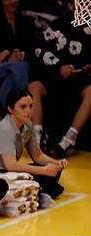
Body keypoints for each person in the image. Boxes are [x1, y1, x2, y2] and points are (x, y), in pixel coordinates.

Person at [0, 87, 67, 206]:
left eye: (31, 106)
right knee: (41, 174)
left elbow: (37, 155)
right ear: (10, 109)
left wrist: (56, 163)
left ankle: (40, 193)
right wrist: (44, 170)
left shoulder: (28, 125)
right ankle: (41, 193)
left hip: (6, 171)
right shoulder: (4, 128)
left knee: (53, 170)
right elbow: (11, 165)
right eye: (23, 107)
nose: (28, 111)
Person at [28, 0, 91, 158]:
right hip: (56, 77)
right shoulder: (55, 26)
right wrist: (59, 68)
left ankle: (69, 139)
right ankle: (37, 137)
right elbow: (40, 52)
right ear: (70, 6)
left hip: (81, 79)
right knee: (34, 86)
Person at [0, 0, 37, 106]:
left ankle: (12, 111)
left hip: (21, 66)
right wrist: (6, 59)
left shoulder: (27, 22)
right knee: (20, 67)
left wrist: (21, 55)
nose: (13, 2)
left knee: (14, 73)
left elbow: (34, 49)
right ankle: (24, 109)